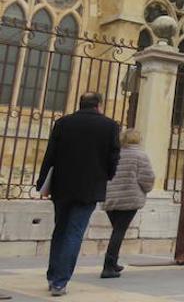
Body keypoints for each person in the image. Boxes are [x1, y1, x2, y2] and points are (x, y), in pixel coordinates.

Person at [36, 92, 121, 297]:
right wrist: (106, 176)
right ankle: (60, 281)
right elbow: (113, 157)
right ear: (99, 105)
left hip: (62, 186)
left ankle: (53, 276)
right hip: (90, 188)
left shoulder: (63, 123)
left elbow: (50, 155)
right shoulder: (109, 126)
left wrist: (41, 184)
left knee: (60, 230)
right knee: (74, 233)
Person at [101, 128, 156, 278]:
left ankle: (113, 263)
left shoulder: (115, 154)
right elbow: (147, 178)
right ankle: (108, 266)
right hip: (129, 198)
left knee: (117, 230)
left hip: (111, 198)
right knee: (118, 231)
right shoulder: (140, 155)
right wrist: (146, 190)